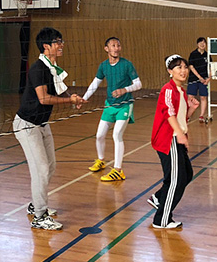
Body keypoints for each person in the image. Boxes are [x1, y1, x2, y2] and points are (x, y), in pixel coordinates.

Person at [13, 27, 85, 230]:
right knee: (41, 170)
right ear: (46, 46)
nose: (61, 45)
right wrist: (69, 101)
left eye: (61, 41)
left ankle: (35, 204)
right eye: (57, 42)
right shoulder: (38, 69)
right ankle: (39, 216)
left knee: (50, 167)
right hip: (27, 125)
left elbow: (59, 89)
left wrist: (73, 98)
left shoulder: (53, 68)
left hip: (42, 124)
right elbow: (44, 98)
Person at [148, 55, 200, 229]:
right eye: (178, 67)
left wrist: (192, 109)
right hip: (168, 139)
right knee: (175, 180)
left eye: (185, 67)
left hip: (177, 137)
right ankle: (161, 220)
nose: (183, 71)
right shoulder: (168, 89)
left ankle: (158, 197)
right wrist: (179, 134)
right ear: (170, 71)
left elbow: (181, 118)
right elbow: (169, 114)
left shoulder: (181, 92)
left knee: (187, 174)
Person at [83, 37, 142, 181]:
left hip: (125, 104)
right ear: (106, 49)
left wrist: (124, 90)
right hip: (110, 105)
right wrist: (84, 98)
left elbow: (138, 84)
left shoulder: (127, 64)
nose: (116, 48)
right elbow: (95, 83)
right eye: (113, 45)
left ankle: (118, 170)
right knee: (99, 135)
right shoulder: (103, 66)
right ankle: (101, 160)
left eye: (118, 45)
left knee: (117, 135)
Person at [187, 37, 211, 123]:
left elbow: (210, 67)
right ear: (197, 44)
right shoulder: (193, 54)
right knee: (190, 97)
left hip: (204, 80)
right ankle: (188, 116)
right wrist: (199, 77)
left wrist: (209, 78)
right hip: (193, 79)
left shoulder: (208, 55)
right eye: (200, 43)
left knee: (203, 97)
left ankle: (201, 115)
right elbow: (191, 67)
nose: (202, 44)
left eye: (204, 43)